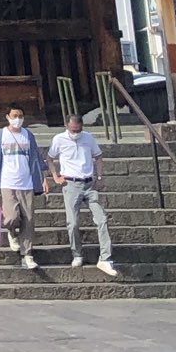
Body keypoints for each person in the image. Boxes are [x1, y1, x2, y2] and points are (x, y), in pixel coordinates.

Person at [47, 114, 121, 277]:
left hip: (89, 183)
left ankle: (105, 257)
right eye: (73, 130)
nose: (76, 133)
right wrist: (55, 176)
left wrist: (100, 177)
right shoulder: (59, 139)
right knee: (72, 222)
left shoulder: (88, 138)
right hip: (70, 184)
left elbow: (98, 156)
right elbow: (50, 158)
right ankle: (77, 253)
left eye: (78, 130)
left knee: (102, 219)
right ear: (67, 126)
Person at [0, 103, 43, 270]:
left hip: (27, 182)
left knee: (29, 219)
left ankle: (28, 254)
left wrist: (42, 179)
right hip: (8, 182)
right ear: (8, 117)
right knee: (11, 217)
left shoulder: (28, 136)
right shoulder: (0, 136)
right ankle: (11, 233)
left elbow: (36, 159)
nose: (18, 119)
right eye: (15, 116)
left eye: (20, 116)